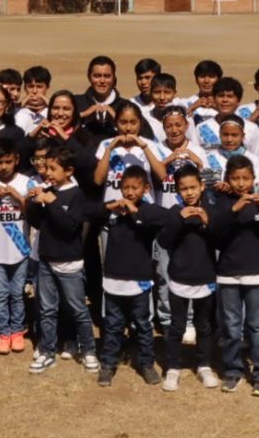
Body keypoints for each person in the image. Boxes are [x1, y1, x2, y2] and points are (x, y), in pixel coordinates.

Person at [26, 148, 99, 374]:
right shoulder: (48, 191)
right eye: (46, 168)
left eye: (53, 168)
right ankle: (47, 351)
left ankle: (88, 350)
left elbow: (69, 227)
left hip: (70, 263)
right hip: (46, 260)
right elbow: (37, 223)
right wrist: (33, 202)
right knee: (47, 310)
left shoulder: (77, 195)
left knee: (78, 309)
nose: (47, 172)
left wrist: (52, 203)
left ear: (69, 171)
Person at [95, 165, 168, 387]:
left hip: (139, 280)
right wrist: (109, 207)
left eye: (135, 188)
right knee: (113, 325)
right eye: (125, 187)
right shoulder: (114, 210)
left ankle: (146, 363)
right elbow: (87, 212)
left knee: (143, 325)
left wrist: (136, 211)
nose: (129, 192)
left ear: (146, 189)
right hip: (113, 279)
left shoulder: (148, 211)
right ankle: (108, 364)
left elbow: (165, 217)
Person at [207, 154, 259, 396]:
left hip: (257, 273)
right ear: (227, 179)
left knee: (257, 326)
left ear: (254, 179)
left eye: (246, 178)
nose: (241, 183)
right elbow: (214, 232)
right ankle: (233, 370)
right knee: (231, 327)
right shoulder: (222, 203)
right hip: (228, 274)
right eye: (235, 178)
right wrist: (233, 210)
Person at [156, 165, 221, 392]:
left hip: (205, 278)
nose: (189, 192)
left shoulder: (210, 210)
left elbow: (220, 239)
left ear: (202, 186)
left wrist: (207, 221)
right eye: (184, 189)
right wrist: (178, 219)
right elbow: (163, 241)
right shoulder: (174, 212)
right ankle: (173, 367)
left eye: (193, 187)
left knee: (204, 326)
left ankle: (204, 365)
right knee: (177, 326)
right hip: (179, 279)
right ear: (177, 190)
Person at [0, 138, 38, 356]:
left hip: (20, 250)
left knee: (17, 293)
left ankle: (17, 331)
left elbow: (35, 214)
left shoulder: (27, 182)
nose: (3, 166)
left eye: (8, 162)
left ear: (16, 160)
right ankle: (3, 333)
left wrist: (18, 197)